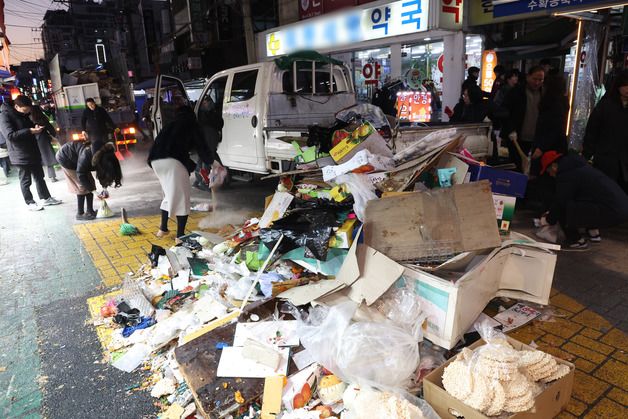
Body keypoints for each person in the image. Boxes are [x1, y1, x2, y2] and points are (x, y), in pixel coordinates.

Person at [148, 105, 213, 239]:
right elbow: (202, 147)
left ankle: (163, 229)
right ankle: (180, 236)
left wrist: (190, 165)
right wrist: (212, 162)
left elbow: (165, 145)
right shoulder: (191, 124)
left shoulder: (170, 124)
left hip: (155, 161)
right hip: (173, 162)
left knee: (169, 194)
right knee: (182, 198)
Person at [539, 151, 628, 249]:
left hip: (612, 210)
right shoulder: (579, 168)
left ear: (554, 166)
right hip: (621, 207)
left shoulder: (565, 174)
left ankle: (576, 240)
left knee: (564, 208)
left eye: (549, 171)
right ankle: (594, 234)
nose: (551, 175)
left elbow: (561, 202)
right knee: (581, 201)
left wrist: (548, 219)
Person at [0, 95, 62, 210]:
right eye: (25, 110)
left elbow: (28, 127)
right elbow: (10, 135)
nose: (27, 112)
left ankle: (46, 198)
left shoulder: (23, 114)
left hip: (32, 150)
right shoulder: (4, 116)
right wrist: (29, 131)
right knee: (25, 179)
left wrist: (35, 127)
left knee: (39, 177)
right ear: (16, 106)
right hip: (19, 154)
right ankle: (30, 202)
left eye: (28, 110)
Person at [582, 69, 628, 194]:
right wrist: (587, 154)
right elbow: (592, 130)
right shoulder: (606, 105)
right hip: (606, 159)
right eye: (625, 85)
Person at [56, 141, 122, 220]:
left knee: (90, 184)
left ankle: (90, 211)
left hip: (78, 158)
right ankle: (80, 214)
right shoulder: (86, 156)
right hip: (65, 157)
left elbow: (103, 172)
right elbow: (80, 173)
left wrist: (105, 188)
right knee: (82, 186)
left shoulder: (107, 156)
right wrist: (94, 192)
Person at [501, 65, 545, 171]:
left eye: (541, 80)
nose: (537, 82)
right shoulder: (516, 92)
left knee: (532, 170)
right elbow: (504, 112)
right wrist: (511, 130)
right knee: (516, 167)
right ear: (528, 77)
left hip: (536, 141)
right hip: (517, 139)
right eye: (535, 79)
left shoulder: (544, 94)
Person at [30, 104, 59, 182]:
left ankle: (36, 177)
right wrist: (55, 136)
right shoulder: (42, 118)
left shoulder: (29, 119)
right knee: (48, 156)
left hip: (32, 140)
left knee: (36, 158)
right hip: (43, 139)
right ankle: (52, 176)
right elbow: (50, 128)